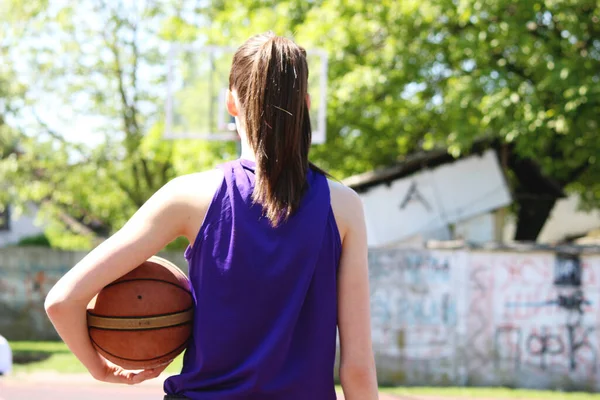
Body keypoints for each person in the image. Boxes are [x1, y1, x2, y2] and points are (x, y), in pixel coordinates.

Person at [44, 31, 378, 400]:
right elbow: (358, 369)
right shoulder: (344, 206)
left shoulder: (188, 196)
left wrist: (101, 368)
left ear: (230, 103)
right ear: (307, 104)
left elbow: (63, 300)